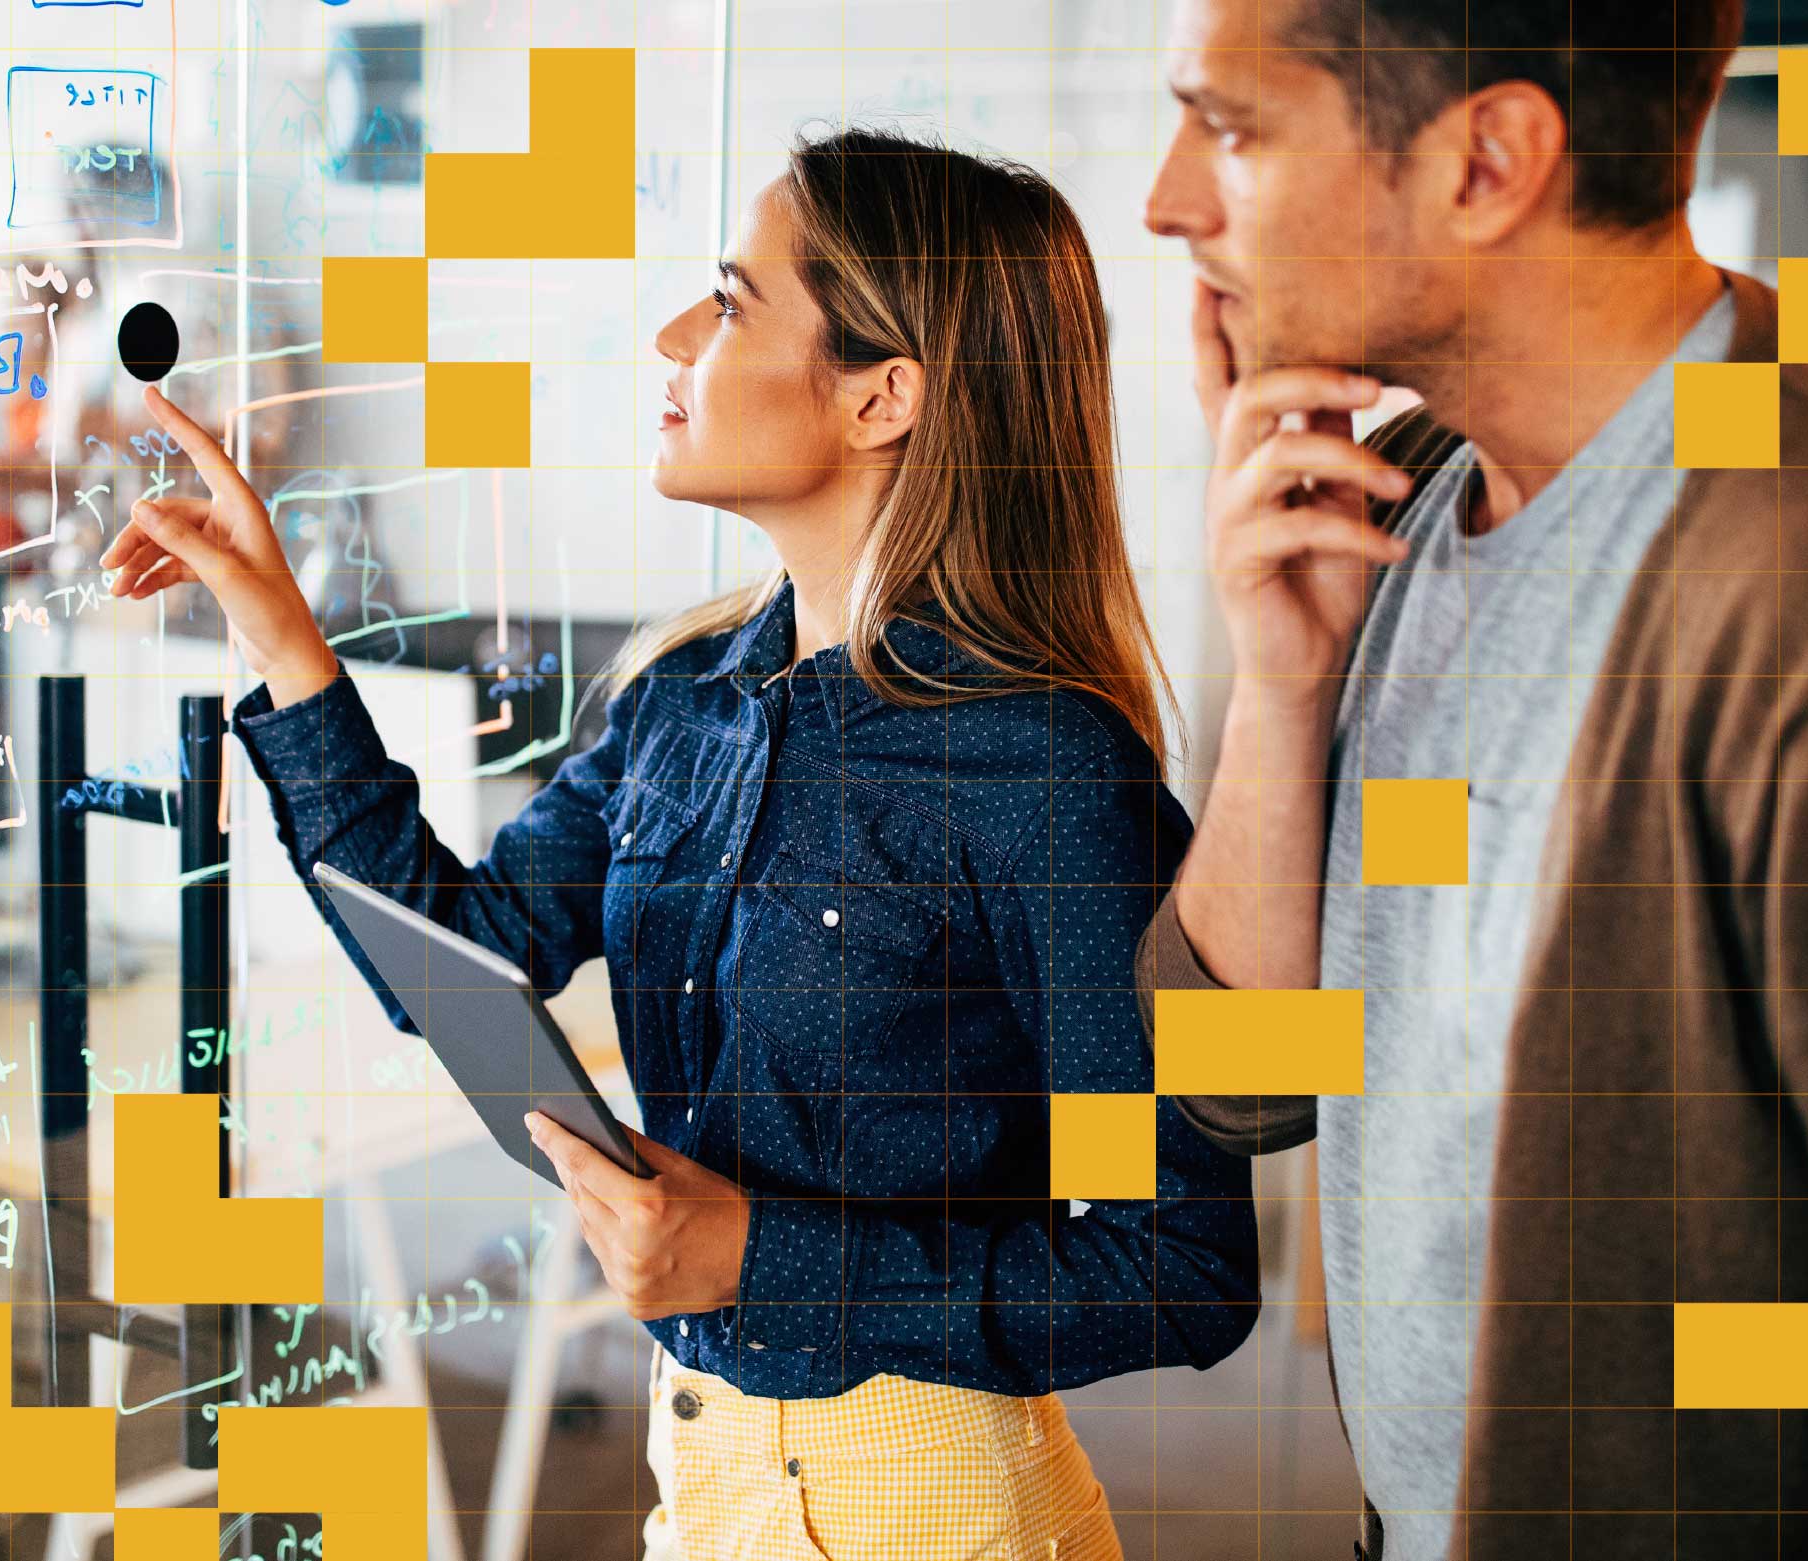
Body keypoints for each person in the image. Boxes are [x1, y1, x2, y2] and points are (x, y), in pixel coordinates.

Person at [1134, 2, 1808, 1557]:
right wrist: (1284, 682)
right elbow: (1237, 1082)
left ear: (1486, 162)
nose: (1168, 198)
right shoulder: (1414, 496)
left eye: (1229, 126)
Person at [100, 125, 1259, 1560]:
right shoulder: (682, 702)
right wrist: (281, 637)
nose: (672, 340)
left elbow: (1175, 1263)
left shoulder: (1042, 770)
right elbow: (455, 952)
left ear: (882, 395)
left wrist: (761, 1255)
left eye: (727, 301)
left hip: (934, 1508)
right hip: (700, 1476)